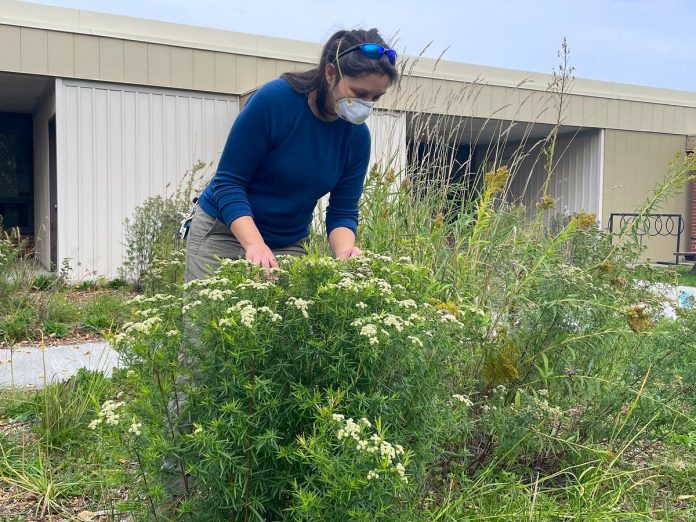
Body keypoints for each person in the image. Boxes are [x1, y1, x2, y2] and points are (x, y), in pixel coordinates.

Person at [184, 28, 399, 283]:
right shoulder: (275, 101)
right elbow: (228, 183)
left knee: (284, 323)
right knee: (210, 322)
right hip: (223, 233)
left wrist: (345, 254)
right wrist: (255, 245)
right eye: (359, 93)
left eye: (375, 97)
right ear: (330, 73)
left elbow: (343, 210)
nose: (366, 104)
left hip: (288, 242)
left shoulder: (357, 137)